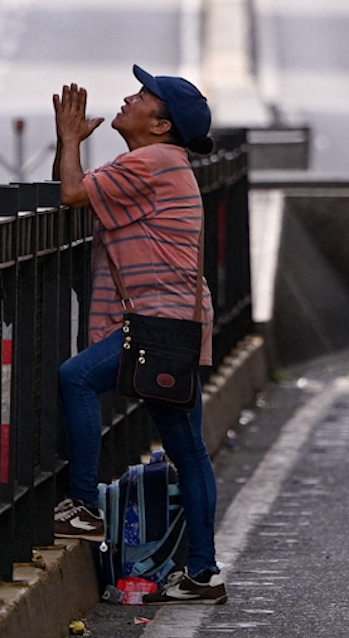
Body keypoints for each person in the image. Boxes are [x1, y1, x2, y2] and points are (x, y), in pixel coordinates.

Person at [50, 67, 226, 606]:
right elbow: (76, 188)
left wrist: (70, 139)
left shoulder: (151, 163)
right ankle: (203, 572)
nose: (130, 97)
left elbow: (73, 192)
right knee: (189, 451)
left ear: (161, 124)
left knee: (76, 378)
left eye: (144, 95)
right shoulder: (158, 162)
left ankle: (82, 506)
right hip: (173, 322)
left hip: (158, 323)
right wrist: (73, 146)